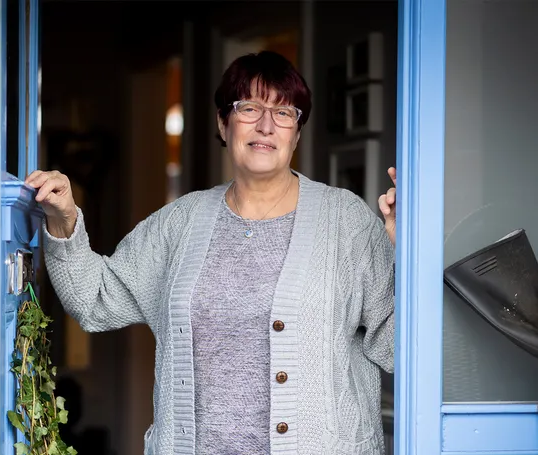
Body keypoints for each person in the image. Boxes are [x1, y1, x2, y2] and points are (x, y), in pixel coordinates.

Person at [26, 51, 398, 455]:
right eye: (249, 108)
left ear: (297, 131)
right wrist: (63, 219)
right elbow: (95, 299)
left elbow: (396, 346)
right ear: (224, 122)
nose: (266, 125)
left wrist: (407, 255)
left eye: (284, 112)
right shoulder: (182, 222)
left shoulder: (346, 221)